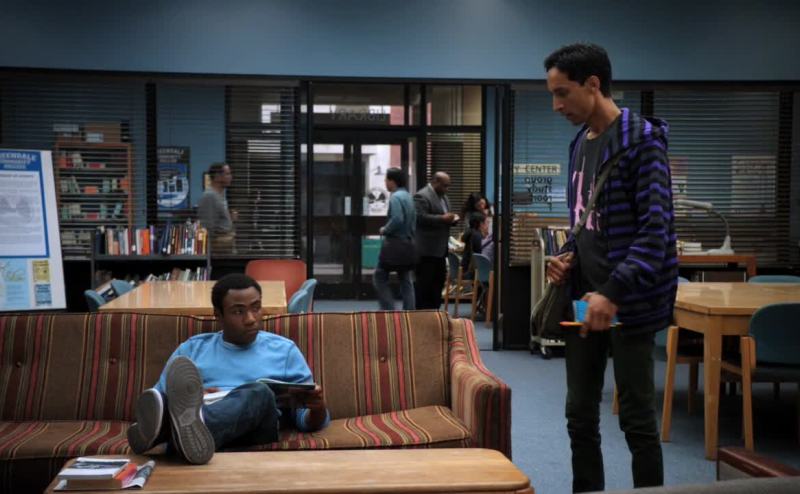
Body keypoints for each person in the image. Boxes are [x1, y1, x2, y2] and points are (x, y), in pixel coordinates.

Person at [543, 43, 677, 492]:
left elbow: (656, 234)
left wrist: (612, 292)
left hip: (628, 302)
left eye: (562, 92)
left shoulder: (642, 144)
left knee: (637, 420)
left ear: (593, 84)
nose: (556, 105)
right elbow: (586, 221)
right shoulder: (579, 143)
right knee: (579, 415)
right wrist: (568, 255)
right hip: (585, 299)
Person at [126, 273, 329, 464]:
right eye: (238, 311)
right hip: (202, 423)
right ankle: (189, 434)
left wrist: (318, 408)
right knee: (180, 403)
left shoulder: (284, 351)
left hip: (258, 427)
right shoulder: (193, 349)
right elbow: (156, 403)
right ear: (218, 315)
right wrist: (197, 396)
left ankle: (178, 433)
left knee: (260, 392)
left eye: (256, 308)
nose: (250, 319)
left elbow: (306, 420)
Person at [413, 171, 459, 309]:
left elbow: (444, 217)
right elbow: (420, 218)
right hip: (426, 250)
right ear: (436, 182)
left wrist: (452, 220)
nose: (447, 189)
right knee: (424, 285)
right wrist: (442, 219)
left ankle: (435, 313)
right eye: (445, 185)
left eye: (448, 186)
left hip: (440, 250)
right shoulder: (422, 196)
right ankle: (422, 315)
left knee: (437, 284)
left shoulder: (444, 197)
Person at [373, 167, 417, 310]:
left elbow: (397, 219)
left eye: (386, 179)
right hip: (407, 243)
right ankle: (409, 311)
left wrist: (385, 229)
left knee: (379, 276)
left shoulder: (396, 197)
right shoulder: (408, 196)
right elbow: (413, 220)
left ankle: (388, 309)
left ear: (392, 181)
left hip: (394, 244)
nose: (385, 182)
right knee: (405, 279)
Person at [198, 162, 237, 254]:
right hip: (218, 252)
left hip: (226, 249)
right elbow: (207, 228)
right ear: (217, 177)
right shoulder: (210, 196)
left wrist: (230, 218)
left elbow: (220, 223)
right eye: (227, 174)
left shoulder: (220, 195)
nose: (231, 177)